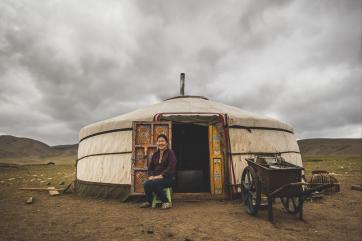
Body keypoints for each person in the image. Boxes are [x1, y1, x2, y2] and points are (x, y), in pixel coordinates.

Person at [140, 134, 177, 209]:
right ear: (157, 143)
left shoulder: (170, 153)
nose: (161, 143)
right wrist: (150, 176)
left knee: (154, 183)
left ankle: (166, 202)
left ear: (166, 143)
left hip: (169, 178)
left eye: (163, 141)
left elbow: (171, 167)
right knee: (146, 183)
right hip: (157, 178)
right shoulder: (155, 154)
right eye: (159, 141)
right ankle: (149, 201)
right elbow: (150, 168)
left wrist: (161, 176)